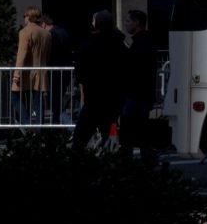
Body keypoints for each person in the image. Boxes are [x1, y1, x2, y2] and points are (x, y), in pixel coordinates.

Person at [71, 10, 126, 152]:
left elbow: (80, 72)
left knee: (79, 138)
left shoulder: (89, 44)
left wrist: (82, 88)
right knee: (110, 132)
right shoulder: (120, 44)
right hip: (113, 99)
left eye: (93, 21)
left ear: (97, 24)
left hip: (94, 98)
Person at [120, 9, 160, 165]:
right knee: (141, 128)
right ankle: (146, 157)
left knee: (132, 128)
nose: (126, 24)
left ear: (137, 23)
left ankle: (135, 158)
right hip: (141, 94)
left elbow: (134, 68)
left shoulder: (141, 43)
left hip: (136, 94)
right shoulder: (144, 41)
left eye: (129, 21)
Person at [13, 5, 52, 125]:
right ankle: (39, 130)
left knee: (15, 97)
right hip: (41, 71)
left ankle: (27, 123)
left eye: (24, 16)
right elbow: (48, 55)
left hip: (26, 73)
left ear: (29, 17)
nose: (24, 19)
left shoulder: (25, 32)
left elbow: (21, 55)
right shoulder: (46, 34)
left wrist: (16, 74)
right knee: (38, 102)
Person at [42, 12, 73, 124]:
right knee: (57, 101)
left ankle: (69, 126)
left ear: (44, 24)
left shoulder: (52, 35)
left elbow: (51, 55)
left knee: (55, 102)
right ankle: (57, 125)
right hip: (65, 71)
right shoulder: (64, 32)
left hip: (56, 72)